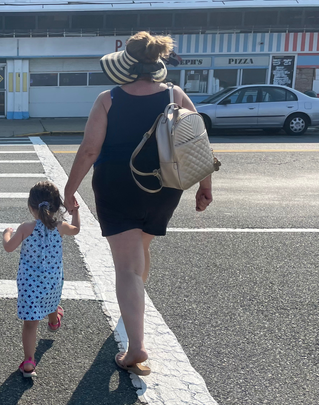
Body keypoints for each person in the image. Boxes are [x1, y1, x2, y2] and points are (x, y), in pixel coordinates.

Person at [63, 31, 214, 376]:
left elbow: (89, 150)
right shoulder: (175, 94)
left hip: (117, 186)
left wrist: (70, 190)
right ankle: (134, 308)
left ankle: (136, 347)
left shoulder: (108, 99)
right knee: (141, 250)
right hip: (164, 186)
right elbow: (198, 142)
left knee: (127, 267)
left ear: (126, 65)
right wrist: (205, 186)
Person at [3, 181, 80, 378]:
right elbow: (76, 229)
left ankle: (29, 361)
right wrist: (76, 211)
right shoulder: (60, 226)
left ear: (31, 206)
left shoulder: (25, 228)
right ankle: (54, 322)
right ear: (56, 206)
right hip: (52, 280)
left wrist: (7, 234)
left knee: (31, 324)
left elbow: (8, 247)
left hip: (30, 284)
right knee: (52, 301)